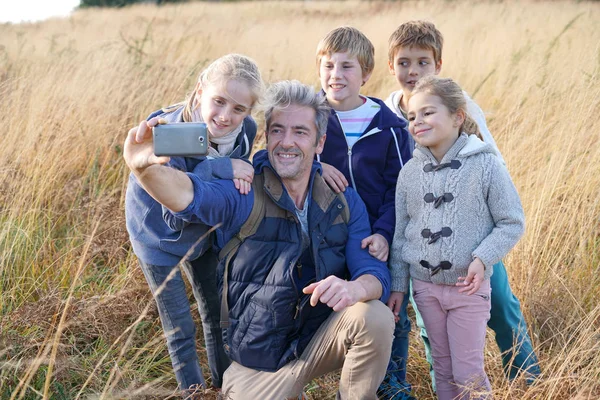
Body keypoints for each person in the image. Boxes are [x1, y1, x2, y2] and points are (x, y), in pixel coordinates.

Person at [123, 79, 395, 400]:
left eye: (300, 132)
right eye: (278, 130)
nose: (287, 142)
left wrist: (353, 289)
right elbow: (189, 194)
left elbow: (374, 274)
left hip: (315, 340)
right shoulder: (245, 192)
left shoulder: (341, 199)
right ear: (265, 137)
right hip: (257, 364)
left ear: (320, 143)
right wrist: (144, 170)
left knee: (374, 316)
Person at [385, 20, 541, 385]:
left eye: (423, 62)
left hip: (473, 239)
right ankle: (447, 384)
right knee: (430, 322)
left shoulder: (458, 105)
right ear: (392, 67)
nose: (413, 71)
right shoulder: (390, 116)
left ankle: (529, 379)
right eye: (404, 62)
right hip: (425, 250)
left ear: (437, 64)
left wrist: (485, 248)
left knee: (502, 306)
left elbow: (490, 161)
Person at [124, 53, 263, 392]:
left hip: (205, 235)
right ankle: (194, 394)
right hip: (159, 238)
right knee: (180, 329)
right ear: (201, 91)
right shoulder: (171, 135)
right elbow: (175, 211)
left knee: (217, 315)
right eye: (219, 101)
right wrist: (220, 170)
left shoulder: (247, 131)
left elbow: (226, 190)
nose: (226, 117)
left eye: (239, 109)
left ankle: (225, 389)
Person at [314, 26, 415, 399]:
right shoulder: (311, 117)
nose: (335, 76)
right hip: (324, 234)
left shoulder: (390, 126)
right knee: (328, 302)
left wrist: (385, 233)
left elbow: (400, 191)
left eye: (346, 67)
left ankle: (392, 381)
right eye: (327, 66)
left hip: (374, 235)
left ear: (367, 74)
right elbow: (279, 159)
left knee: (390, 309)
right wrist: (316, 166)